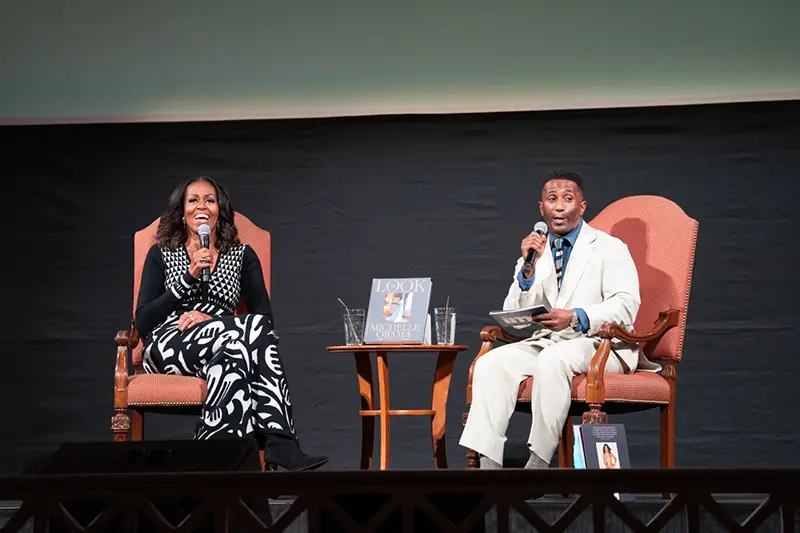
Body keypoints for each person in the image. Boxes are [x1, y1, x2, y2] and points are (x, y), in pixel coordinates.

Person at [459, 169, 659, 469]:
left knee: (552, 361)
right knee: (490, 364)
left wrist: (577, 316)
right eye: (552, 199)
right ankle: (489, 467)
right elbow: (514, 318)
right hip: (549, 341)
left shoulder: (609, 248)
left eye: (568, 198)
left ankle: (538, 464)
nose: (560, 206)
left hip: (602, 345)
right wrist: (526, 273)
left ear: (582, 206)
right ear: (542, 208)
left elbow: (626, 305)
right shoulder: (536, 252)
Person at [135, 176, 329, 471]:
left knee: (231, 366)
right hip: (170, 341)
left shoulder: (241, 255)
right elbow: (144, 321)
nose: (202, 206)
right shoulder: (161, 253)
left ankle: (214, 461)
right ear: (181, 210)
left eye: (209, 200)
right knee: (250, 333)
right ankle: (280, 441)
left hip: (226, 341)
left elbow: (265, 318)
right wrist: (187, 278)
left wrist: (216, 320)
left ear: (220, 209)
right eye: (193, 200)